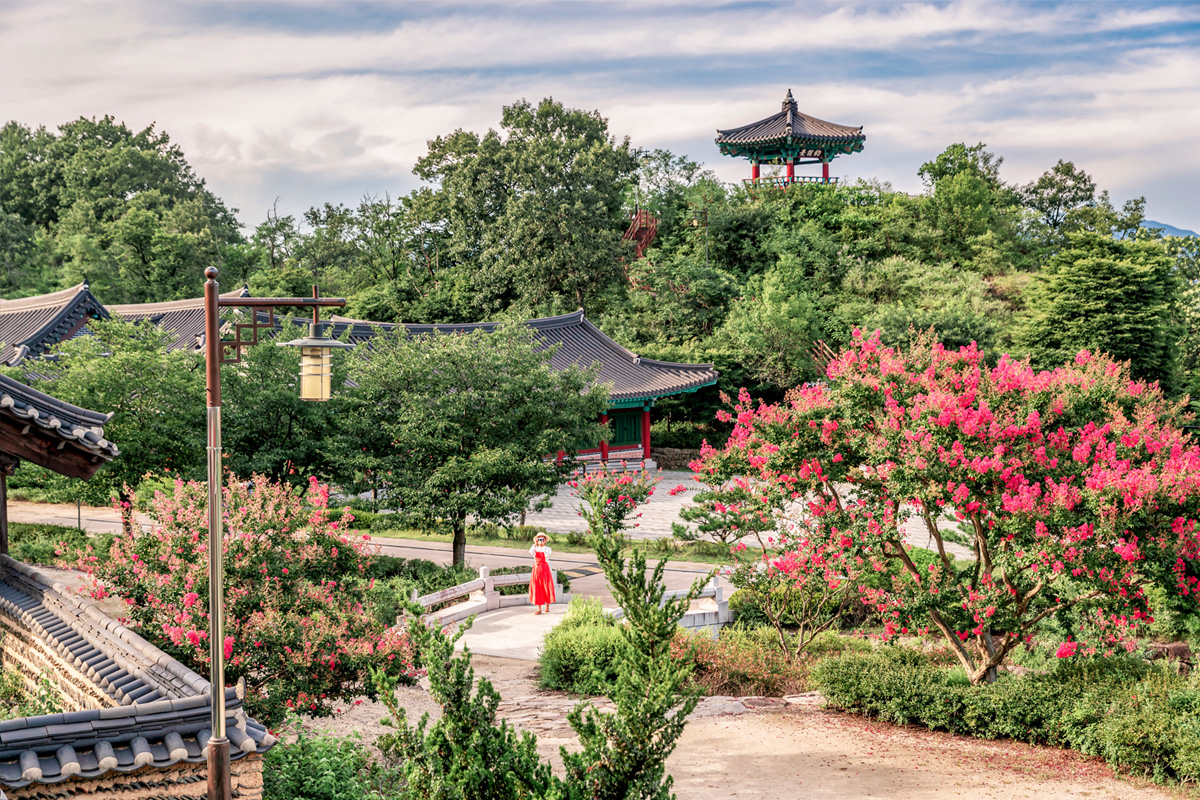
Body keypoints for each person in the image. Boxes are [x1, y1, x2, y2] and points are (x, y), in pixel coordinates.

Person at [528, 533, 555, 614]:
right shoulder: (535, 549)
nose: (540, 541)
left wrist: (542, 547)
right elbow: (531, 552)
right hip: (536, 569)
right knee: (537, 587)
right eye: (539, 539)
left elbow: (547, 555)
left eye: (542, 539)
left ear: (545, 541)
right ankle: (539, 608)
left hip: (545, 569)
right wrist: (535, 545)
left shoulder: (547, 549)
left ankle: (547, 605)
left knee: (546, 586)